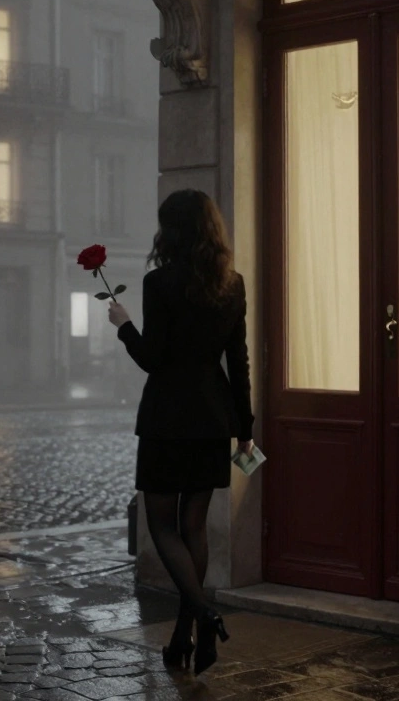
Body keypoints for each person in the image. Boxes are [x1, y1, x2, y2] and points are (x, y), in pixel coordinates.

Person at [107, 188, 253, 676]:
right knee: (193, 527)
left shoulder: (159, 282)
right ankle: (182, 635)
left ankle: (206, 614)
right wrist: (246, 428)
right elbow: (239, 363)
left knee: (164, 527)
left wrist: (124, 325)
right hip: (213, 421)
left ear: (171, 231)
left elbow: (153, 359)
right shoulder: (233, 284)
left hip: (168, 420)